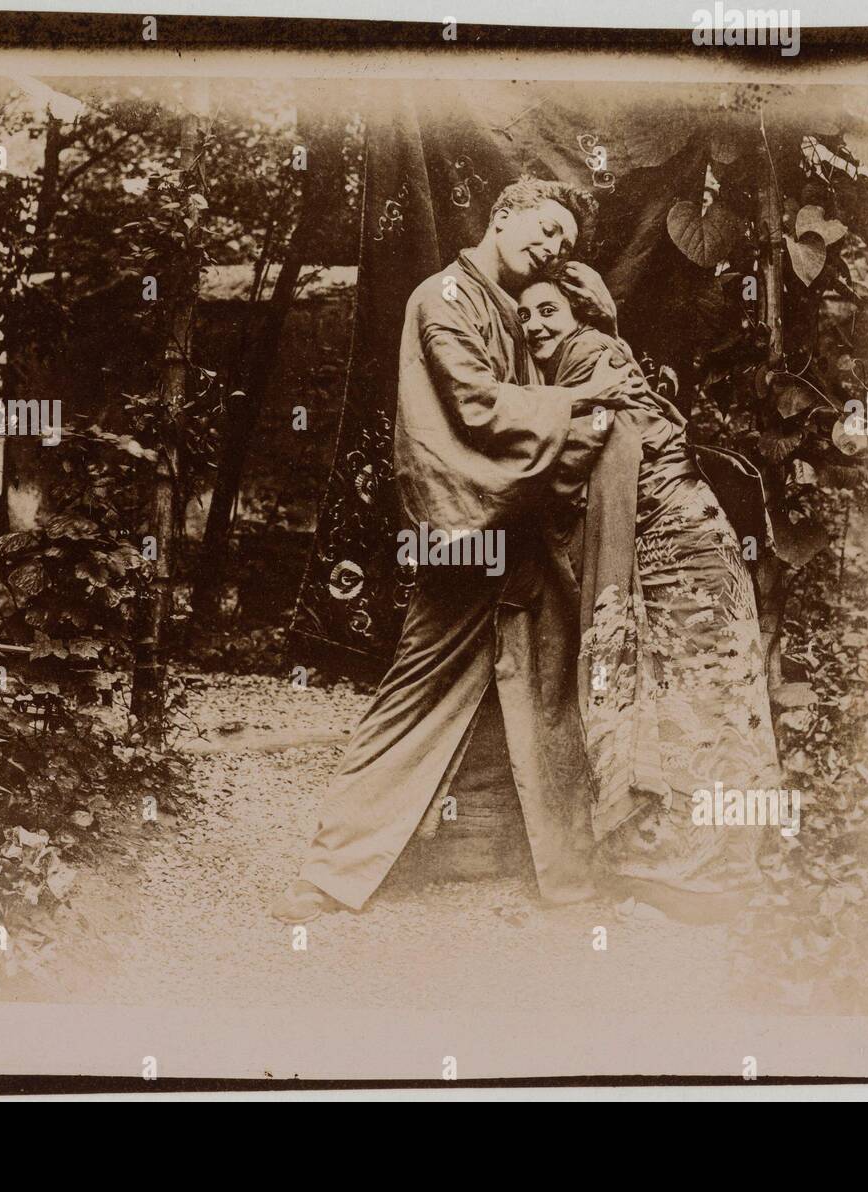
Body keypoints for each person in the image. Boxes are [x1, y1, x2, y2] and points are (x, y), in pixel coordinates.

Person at [271, 179, 645, 923]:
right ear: (501, 217)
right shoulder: (444, 297)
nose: (551, 249)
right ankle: (329, 870)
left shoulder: (516, 309)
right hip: (469, 530)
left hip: (523, 525)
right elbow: (475, 406)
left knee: (547, 690)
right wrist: (584, 405)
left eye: (564, 245)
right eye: (542, 232)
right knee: (416, 693)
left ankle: (565, 872)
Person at [517, 261, 784, 925]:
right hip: (679, 548)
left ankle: (704, 882)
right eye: (524, 316)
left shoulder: (592, 356)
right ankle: (691, 876)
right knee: (691, 706)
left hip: (685, 551)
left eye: (547, 310)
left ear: (580, 311)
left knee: (699, 706)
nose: (534, 325)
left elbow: (568, 460)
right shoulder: (584, 365)